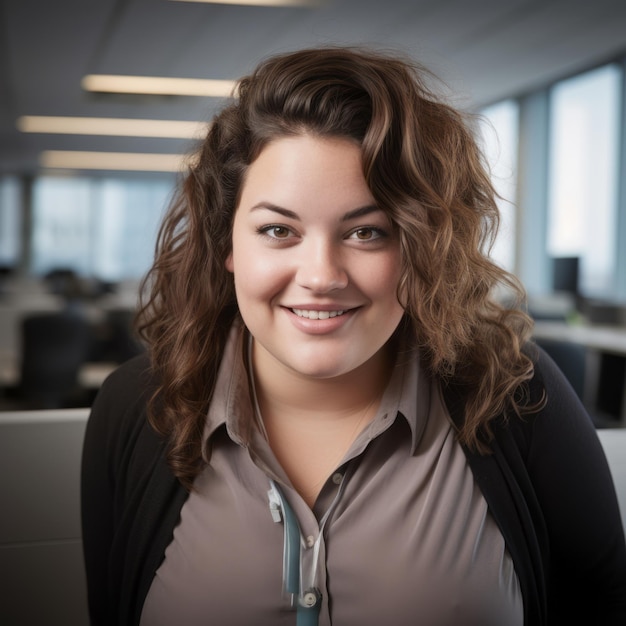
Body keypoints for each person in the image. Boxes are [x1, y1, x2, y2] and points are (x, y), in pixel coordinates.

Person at [81, 46, 626, 626]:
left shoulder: (515, 392)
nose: (320, 276)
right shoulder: (137, 408)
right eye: (277, 229)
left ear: (421, 246)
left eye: (367, 232)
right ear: (226, 245)